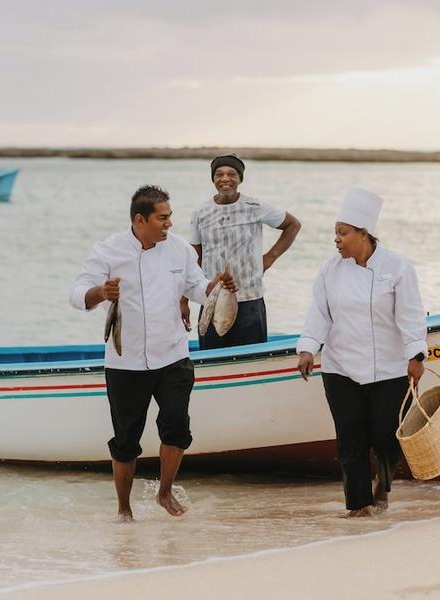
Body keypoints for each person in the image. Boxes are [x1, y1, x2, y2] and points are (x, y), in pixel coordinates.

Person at [70, 185, 235, 520]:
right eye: (163, 218)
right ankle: (124, 509)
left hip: (172, 356)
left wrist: (217, 286)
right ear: (139, 219)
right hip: (124, 360)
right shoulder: (108, 251)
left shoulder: (180, 251)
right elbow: (76, 294)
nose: (169, 224)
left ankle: (164, 492)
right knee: (126, 440)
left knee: (177, 428)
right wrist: (101, 292)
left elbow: (199, 289)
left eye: (171, 216)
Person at [296, 187, 428, 517]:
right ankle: (357, 507)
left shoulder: (396, 267)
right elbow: (319, 313)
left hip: (389, 368)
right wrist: (308, 349)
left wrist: (416, 355)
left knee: (387, 437)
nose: (336, 240)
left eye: (343, 234)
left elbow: (410, 314)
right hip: (340, 367)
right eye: (335, 234)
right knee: (349, 441)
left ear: (363, 234)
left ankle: (381, 488)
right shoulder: (330, 270)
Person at [183, 153, 301, 349]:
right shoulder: (200, 213)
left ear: (240, 179)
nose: (225, 179)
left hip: (250, 299)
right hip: (212, 299)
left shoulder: (255, 207)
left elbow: (293, 225)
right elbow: (193, 259)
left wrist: (269, 259)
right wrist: (184, 300)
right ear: (213, 179)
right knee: (213, 361)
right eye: (219, 174)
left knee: (252, 360)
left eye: (232, 174)